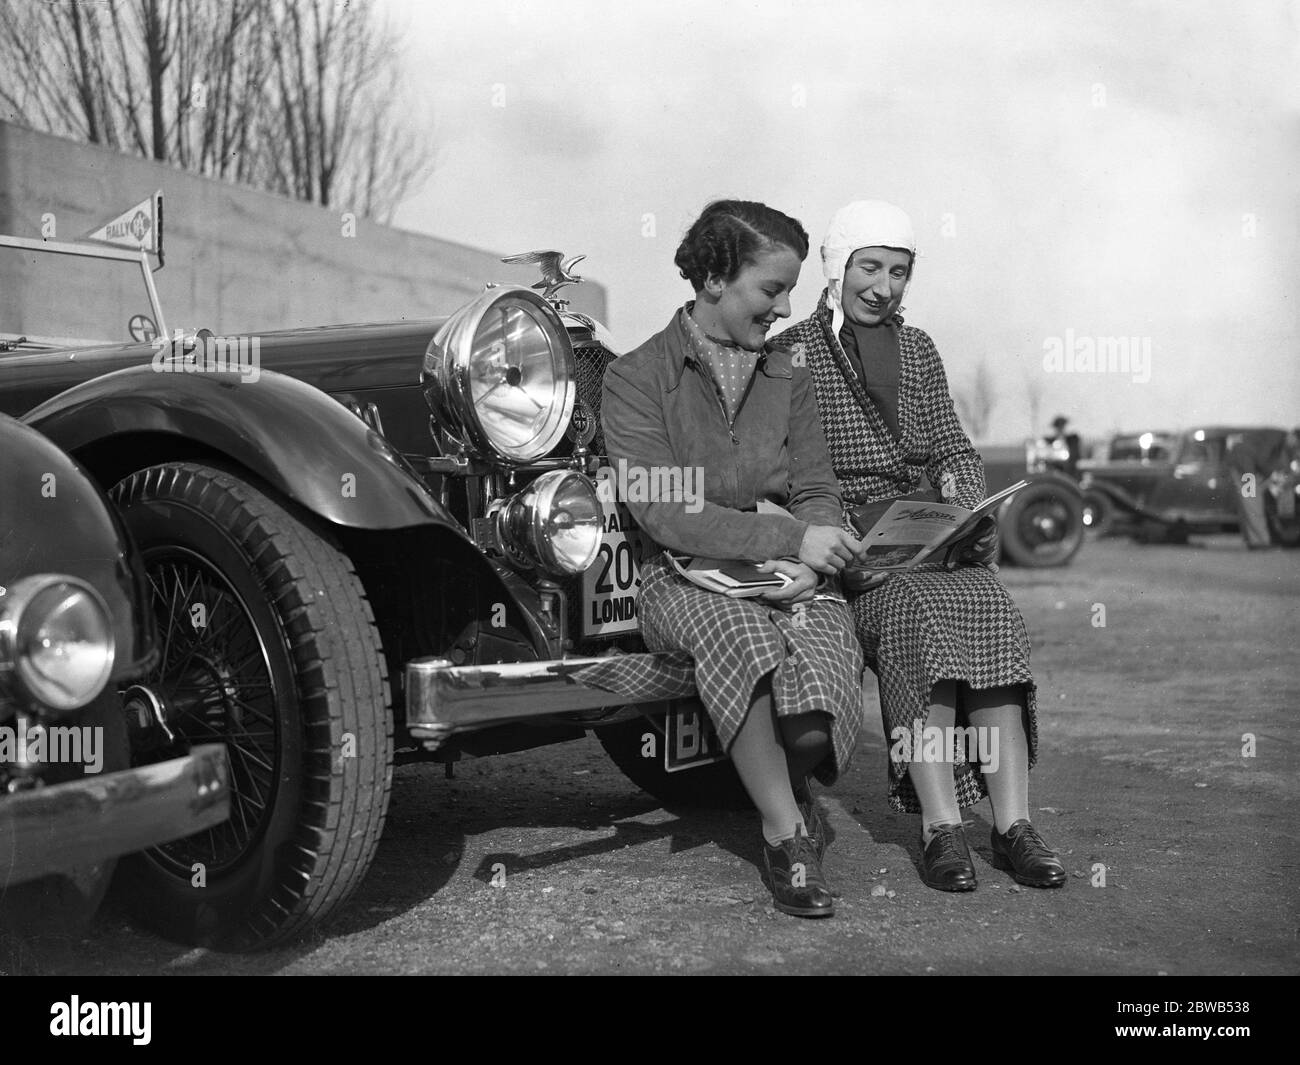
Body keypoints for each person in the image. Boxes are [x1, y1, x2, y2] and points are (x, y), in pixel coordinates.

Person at [772, 200, 1066, 892]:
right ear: (837, 268)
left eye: (898, 272)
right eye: (869, 267)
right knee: (919, 623)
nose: (884, 285)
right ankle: (942, 827)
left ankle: (1014, 823)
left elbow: (953, 447)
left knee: (991, 607)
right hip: (857, 559)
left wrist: (963, 502)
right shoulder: (791, 353)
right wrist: (836, 529)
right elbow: (785, 472)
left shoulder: (919, 349)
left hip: (933, 546)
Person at [601, 200, 866, 918]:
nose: (783, 309)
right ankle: (786, 836)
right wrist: (788, 537)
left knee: (813, 724)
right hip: (678, 580)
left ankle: (779, 781)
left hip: (792, 576)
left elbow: (816, 489)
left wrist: (814, 556)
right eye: (770, 289)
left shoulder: (791, 375)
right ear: (714, 278)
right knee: (741, 636)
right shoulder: (635, 377)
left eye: (788, 291)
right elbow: (667, 513)